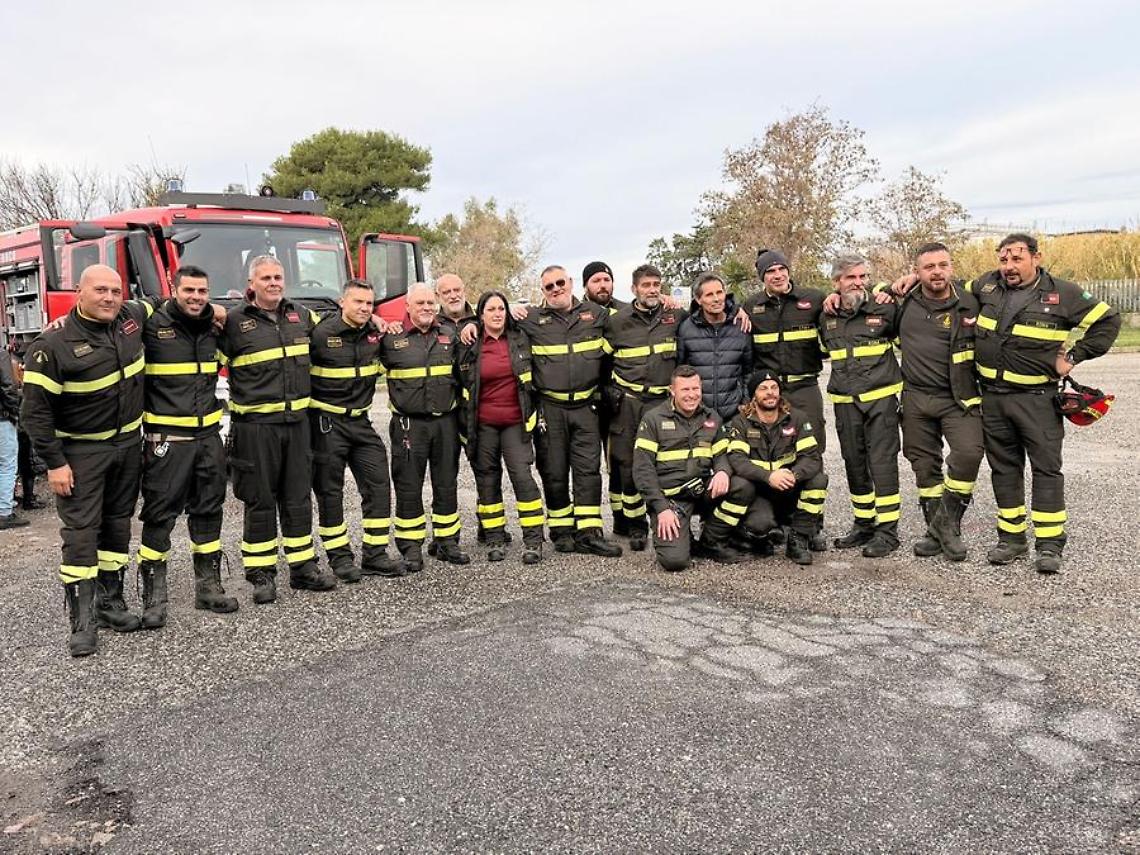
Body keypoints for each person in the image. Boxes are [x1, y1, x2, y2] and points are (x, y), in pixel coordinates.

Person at [965, 234, 1119, 574]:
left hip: (1037, 401)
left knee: (1046, 470)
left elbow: (1109, 321)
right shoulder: (986, 286)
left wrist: (1075, 356)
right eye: (1003, 260)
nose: (1008, 267)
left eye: (1016, 259)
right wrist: (904, 280)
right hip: (993, 398)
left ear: (1036, 257)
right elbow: (948, 289)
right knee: (1004, 469)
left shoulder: (1063, 292)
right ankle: (1012, 539)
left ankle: (1049, 546)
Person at [21, 265, 148, 656]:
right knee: (81, 535)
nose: (110, 298)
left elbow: (163, 304)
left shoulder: (130, 318)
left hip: (127, 447)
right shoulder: (52, 345)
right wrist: (55, 463)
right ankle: (82, 622)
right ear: (80, 292)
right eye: (100, 291)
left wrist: (216, 311)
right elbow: (35, 413)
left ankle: (111, 605)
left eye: (116, 290)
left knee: (117, 527)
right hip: (81, 454)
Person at [218, 255, 336, 604]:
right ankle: (261, 574)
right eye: (266, 277)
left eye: (278, 276)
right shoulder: (234, 322)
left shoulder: (300, 315)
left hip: (297, 425)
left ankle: (302, 568)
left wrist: (374, 318)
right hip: (255, 429)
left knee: (298, 497)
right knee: (260, 499)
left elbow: (337, 328)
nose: (274, 283)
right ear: (251, 284)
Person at [136, 265, 238, 627]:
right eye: (189, 290)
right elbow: (116, 311)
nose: (196, 297)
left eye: (202, 291)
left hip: (208, 440)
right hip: (167, 443)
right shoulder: (152, 323)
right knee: (159, 517)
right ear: (174, 289)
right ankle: (154, 597)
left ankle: (208, 588)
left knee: (209, 511)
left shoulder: (214, 328)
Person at [512, 266, 622, 557]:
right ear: (543, 291)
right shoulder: (532, 319)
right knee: (554, 470)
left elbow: (631, 316)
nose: (556, 289)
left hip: (587, 406)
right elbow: (492, 319)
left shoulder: (596, 315)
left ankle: (589, 533)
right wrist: (511, 308)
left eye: (560, 282)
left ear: (571, 283)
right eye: (549, 286)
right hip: (550, 407)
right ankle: (561, 532)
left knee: (588, 470)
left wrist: (667, 300)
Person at [895, 243, 984, 562]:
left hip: (958, 397)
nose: (937, 271)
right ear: (916, 272)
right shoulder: (902, 300)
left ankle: (943, 527)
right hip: (916, 397)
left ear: (951, 267)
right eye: (928, 266)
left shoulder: (973, 301)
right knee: (923, 463)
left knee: (969, 453)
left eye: (942, 265)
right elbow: (868, 296)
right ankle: (942, 530)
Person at [309, 279, 402, 581]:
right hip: (327, 423)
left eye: (369, 303)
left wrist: (382, 321)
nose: (364, 308)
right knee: (330, 492)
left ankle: (375, 555)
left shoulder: (375, 333)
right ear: (342, 302)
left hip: (361, 423)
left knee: (378, 484)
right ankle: (340, 559)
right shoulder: (320, 333)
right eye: (358, 302)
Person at [742, 250, 830, 551]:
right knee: (769, 451)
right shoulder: (751, 306)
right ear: (762, 277)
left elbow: (844, 305)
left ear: (789, 271)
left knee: (810, 452)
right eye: (770, 272)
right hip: (769, 392)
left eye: (781, 269)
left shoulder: (814, 299)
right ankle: (776, 521)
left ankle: (810, 524)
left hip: (804, 387)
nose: (777, 275)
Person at [819, 254, 903, 558]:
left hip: (880, 399)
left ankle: (888, 531)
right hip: (845, 401)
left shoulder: (884, 306)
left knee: (882, 463)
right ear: (837, 283)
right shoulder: (826, 315)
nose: (858, 283)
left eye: (862, 277)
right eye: (851, 278)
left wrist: (888, 288)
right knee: (854, 463)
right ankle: (864, 523)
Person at [379, 283, 468, 572]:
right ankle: (410, 546)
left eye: (431, 302)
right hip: (409, 425)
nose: (427, 308)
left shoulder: (449, 335)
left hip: (445, 422)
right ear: (407, 307)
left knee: (446, 482)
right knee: (408, 486)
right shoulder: (391, 339)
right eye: (420, 303)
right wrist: (376, 320)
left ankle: (446, 542)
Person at [456, 290, 545, 563]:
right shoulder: (470, 342)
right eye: (491, 309)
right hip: (483, 426)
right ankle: (495, 538)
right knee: (487, 481)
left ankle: (533, 539)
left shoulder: (520, 337)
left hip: (516, 424)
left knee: (522, 478)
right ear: (480, 315)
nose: (497, 314)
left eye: (501, 309)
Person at [632, 365, 748, 571]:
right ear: (672, 390)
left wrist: (722, 471)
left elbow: (722, 454)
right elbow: (643, 470)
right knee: (674, 561)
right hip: (672, 499)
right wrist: (661, 508)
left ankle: (711, 541)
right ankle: (684, 540)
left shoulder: (712, 417)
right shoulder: (653, 420)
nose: (692, 395)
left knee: (742, 487)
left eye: (696, 389)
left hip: (702, 491)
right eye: (685, 390)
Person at [604, 264, 687, 552]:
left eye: (656, 284)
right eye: (646, 285)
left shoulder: (674, 316)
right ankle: (636, 526)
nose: (652, 289)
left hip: (662, 403)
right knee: (627, 464)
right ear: (634, 289)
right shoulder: (617, 322)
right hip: (629, 402)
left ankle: (663, 520)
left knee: (663, 462)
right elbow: (601, 362)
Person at [724, 371, 827, 565]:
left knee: (818, 479)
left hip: (789, 487)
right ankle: (753, 533)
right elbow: (737, 460)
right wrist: (768, 476)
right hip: (760, 490)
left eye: (774, 388)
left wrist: (793, 474)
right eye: (763, 388)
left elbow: (811, 457)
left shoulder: (797, 418)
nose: (770, 393)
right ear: (754, 394)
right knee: (760, 525)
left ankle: (798, 539)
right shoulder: (741, 421)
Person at [581, 261, 628, 535]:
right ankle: (588, 526)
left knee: (618, 462)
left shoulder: (625, 311)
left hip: (617, 400)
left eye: (606, 280)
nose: (603, 285)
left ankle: (622, 519)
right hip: (585, 399)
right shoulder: (575, 312)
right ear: (586, 284)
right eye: (596, 280)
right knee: (587, 464)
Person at [676, 272, 752, 421]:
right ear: (698, 299)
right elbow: (680, 369)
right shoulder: (686, 328)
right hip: (698, 415)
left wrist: (744, 403)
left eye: (719, 292)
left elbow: (748, 371)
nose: (716, 299)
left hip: (735, 414)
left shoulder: (741, 325)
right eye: (709, 295)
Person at [0, 350, 27, 529]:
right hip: (1, 418)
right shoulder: (0, 355)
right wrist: (14, 412)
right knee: (7, 464)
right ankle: (4, 512)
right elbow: (7, 386)